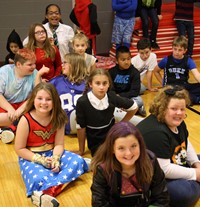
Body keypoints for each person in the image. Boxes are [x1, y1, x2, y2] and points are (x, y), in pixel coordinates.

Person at [14, 82, 89, 207]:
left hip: (52, 152)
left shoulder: (59, 117)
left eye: (48, 99)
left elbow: (59, 144)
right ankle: (56, 185)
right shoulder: (25, 119)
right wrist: (40, 160)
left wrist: (56, 158)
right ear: (33, 100)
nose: (44, 102)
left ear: (55, 101)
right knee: (38, 179)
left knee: (77, 161)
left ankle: (47, 192)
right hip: (30, 156)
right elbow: (19, 149)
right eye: (40, 98)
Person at [137, 85, 200, 207]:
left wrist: (196, 164)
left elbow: (185, 143)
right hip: (154, 177)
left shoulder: (176, 121)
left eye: (182, 109)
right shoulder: (156, 132)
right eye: (174, 108)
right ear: (163, 108)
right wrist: (195, 174)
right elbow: (164, 169)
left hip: (173, 161)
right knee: (184, 194)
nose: (179, 113)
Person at [91, 121, 170, 207]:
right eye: (121, 148)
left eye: (133, 146)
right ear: (112, 149)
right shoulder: (103, 168)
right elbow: (99, 203)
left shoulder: (150, 161)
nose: (128, 153)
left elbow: (161, 197)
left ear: (140, 145)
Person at [76, 68, 138, 156]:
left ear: (109, 84)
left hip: (112, 135)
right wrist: (81, 150)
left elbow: (134, 107)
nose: (101, 87)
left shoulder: (111, 97)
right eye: (97, 83)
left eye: (105, 83)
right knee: (107, 157)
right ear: (90, 84)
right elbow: (80, 127)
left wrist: (121, 124)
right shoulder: (82, 102)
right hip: (96, 142)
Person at [0, 48, 49, 144]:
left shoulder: (34, 73)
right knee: (25, 119)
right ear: (18, 64)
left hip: (24, 105)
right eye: (30, 65)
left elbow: (36, 95)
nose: (34, 67)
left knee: (35, 113)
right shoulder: (4, 72)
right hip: (6, 104)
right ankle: (14, 127)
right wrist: (10, 109)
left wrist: (19, 111)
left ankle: (8, 129)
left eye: (34, 64)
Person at [154, 35, 200, 105]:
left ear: (185, 51)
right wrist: (163, 84)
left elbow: (197, 74)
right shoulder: (166, 60)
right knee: (179, 95)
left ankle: (189, 98)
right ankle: (195, 99)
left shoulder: (188, 60)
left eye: (180, 50)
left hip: (183, 86)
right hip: (171, 88)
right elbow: (156, 71)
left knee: (192, 89)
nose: (177, 52)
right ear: (172, 48)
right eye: (175, 49)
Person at [50, 53, 88, 135]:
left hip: (84, 124)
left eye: (65, 62)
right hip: (64, 123)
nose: (62, 65)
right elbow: (40, 92)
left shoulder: (87, 84)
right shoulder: (57, 81)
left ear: (74, 65)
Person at [109, 46, 147, 117]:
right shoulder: (111, 72)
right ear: (117, 61)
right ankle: (130, 109)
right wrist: (115, 96)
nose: (126, 62)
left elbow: (134, 92)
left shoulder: (135, 72)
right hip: (116, 96)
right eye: (123, 60)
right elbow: (110, 88)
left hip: (128, 96)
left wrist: (120, 96)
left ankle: (128, 108)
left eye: (128, 59)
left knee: (139, 100)